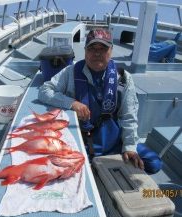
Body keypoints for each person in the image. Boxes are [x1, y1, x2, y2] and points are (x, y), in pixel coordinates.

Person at [38, 28, 162, 174]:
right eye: (92, 48)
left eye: (103, 48)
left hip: (113, 140)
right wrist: (72, 103)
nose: (97, 53)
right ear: (85, 51)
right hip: (82, 140)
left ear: (111, 50)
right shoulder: (70, 72)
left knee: (153, 163)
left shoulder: (123, 78)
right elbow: (44, 91)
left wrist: (129, 147)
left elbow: (129, 116)